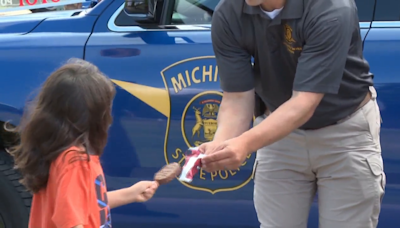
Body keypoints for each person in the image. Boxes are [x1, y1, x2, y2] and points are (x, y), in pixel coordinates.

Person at [200, 0, 385, 227]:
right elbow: (237, 98)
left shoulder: (331, 7)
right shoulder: (228, 12)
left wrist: (244, 144)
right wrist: (220, 145)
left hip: (345, 131)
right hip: (277, 134)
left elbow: (304, 102)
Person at [6, 58, 159, 228]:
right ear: (96, 116)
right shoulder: (76, 162)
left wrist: (130, 194)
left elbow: (86, 205)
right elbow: (71, 222)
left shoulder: (57, 153)